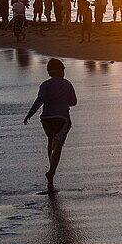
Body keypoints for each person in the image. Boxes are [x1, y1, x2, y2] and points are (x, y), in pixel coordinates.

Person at [23, 58, 77, 194]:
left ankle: (50, 181)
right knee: (58, 147)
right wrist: (62, 101)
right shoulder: (67, 84)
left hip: (46, 119)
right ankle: (51, 172)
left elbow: (39, 100)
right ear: (61, 70)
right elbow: (73, 102)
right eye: (63, 70)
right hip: (62, 119)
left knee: (50, 142)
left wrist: (30, 114)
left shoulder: (44, 85)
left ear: (49, 72)